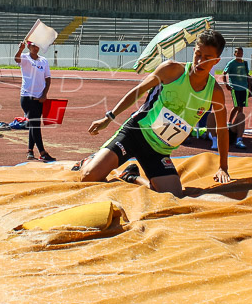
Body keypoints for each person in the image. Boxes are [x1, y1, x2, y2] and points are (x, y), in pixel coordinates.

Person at [79, 29, 231, 196]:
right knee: (89, 176)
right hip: (135, 133)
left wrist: (223, 167)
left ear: (216, 60)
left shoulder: (215, 92)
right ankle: (90, 160)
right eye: (198, 54)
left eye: (207, 58)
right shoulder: (171, 70)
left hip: (159, 150)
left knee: (173, 195)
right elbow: (138, 90)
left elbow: (222, 130)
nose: (200, 61)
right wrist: (109, 117)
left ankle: (131, 176)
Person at [15, 39, 55, 162]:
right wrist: (20, 49)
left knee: (34, 124)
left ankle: (30, 151)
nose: (35, 47)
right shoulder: (25, 57)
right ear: (29, 47)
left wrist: (44, 94)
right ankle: (42, 152)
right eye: (33, 46)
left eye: (37, 45)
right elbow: (17, 59)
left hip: (39, 97)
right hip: (27, 97)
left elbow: (48, 79)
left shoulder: (43, 61)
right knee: (35, 124)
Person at [220, 46, 252, 149]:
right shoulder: (231, 63)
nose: (240, 54)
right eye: (238, 53)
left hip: (244, 87)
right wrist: (226, 84)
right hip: (235, 87)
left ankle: (238, 125)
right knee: (237, 106)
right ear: (235, 54)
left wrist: (250, 86)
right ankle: (229, 122)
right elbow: (224, 73)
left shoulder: (244, 63)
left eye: (241, 52)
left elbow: (247, 75)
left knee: (241, 107)